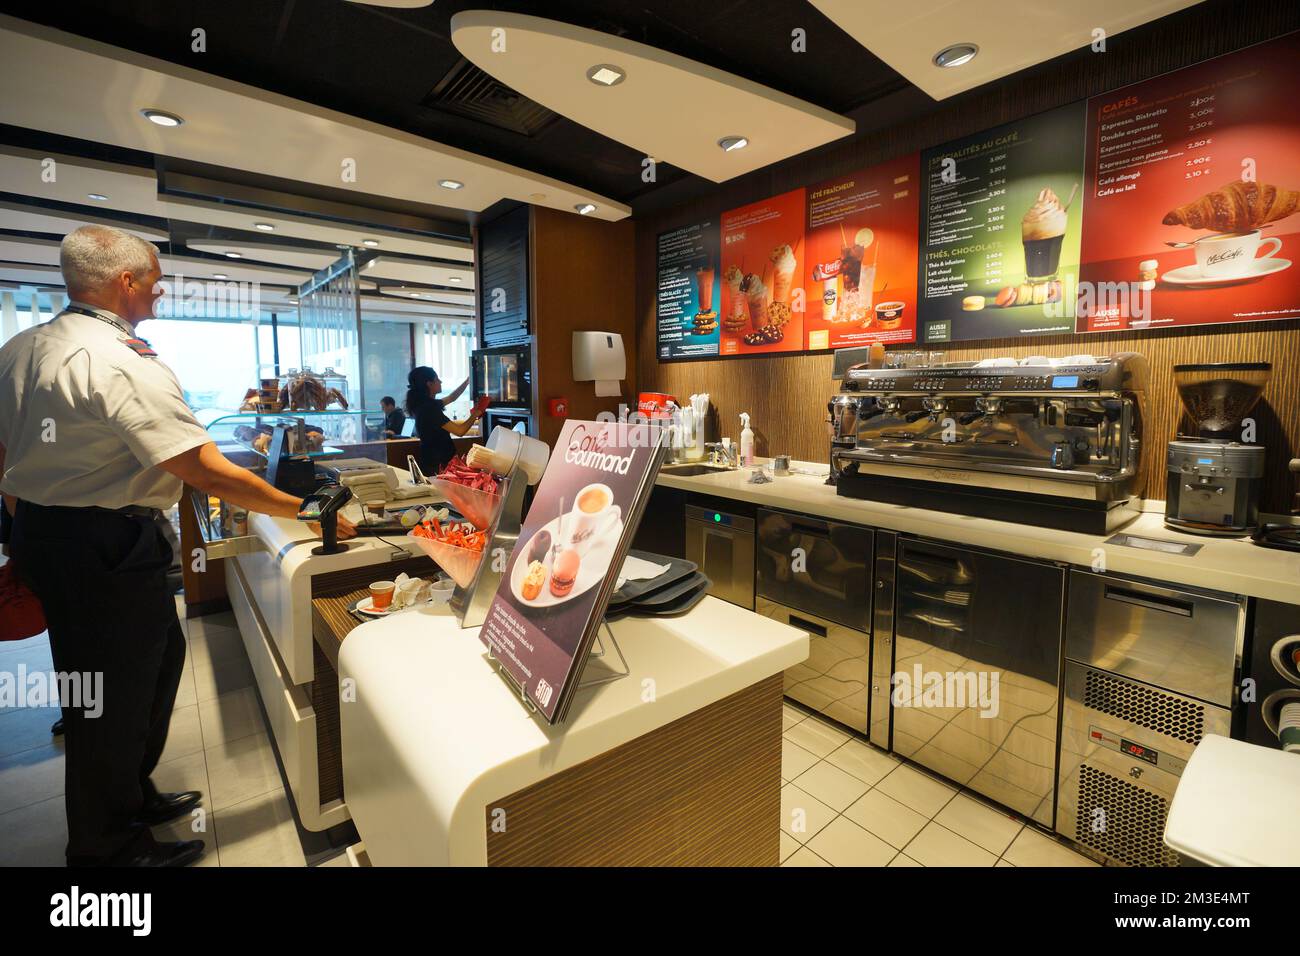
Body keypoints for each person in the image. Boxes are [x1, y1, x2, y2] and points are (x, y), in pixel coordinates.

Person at [0, 225, 356, 867]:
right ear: (126, 282)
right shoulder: (115, 358)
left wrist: (22, 535)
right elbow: (203, 468)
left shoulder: (22, 347)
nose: (162, 291)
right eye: (156, 279)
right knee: (109, 694)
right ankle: (106, 850)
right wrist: (298, 509)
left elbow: (7, 453)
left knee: (145, 668)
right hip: (102, 539)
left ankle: (131, 797)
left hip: (52, 533)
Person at [405, 366, 483, 475]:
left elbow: (452, 397)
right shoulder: (429, 409)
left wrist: (466, 382)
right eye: (437, 379)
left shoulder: (423, 404)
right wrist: (476, 414)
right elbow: (460, 431)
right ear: (429, 384)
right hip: (439, 465)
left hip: (431, 462)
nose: (440, 382)